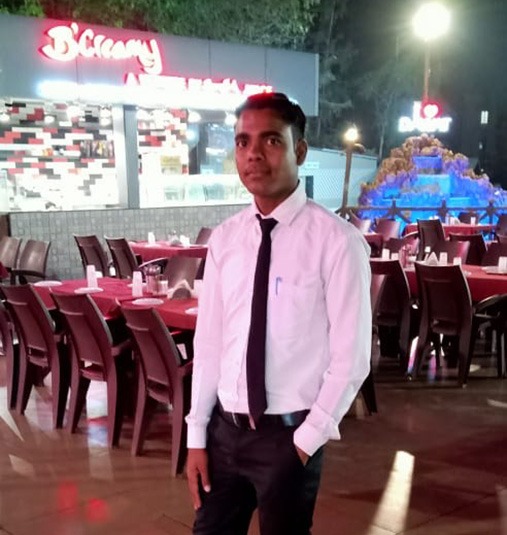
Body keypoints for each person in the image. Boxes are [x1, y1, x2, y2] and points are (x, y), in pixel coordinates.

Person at [186, 92, 371, 535]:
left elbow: (351, 360)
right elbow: (209, 344)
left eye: (271, 140)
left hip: (289, 438)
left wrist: (305, 443)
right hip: (224, 434)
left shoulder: (336, 242)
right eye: (242, 142)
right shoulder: (225, 240)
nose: (253, 153)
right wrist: (197, 436)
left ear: (299, 151)